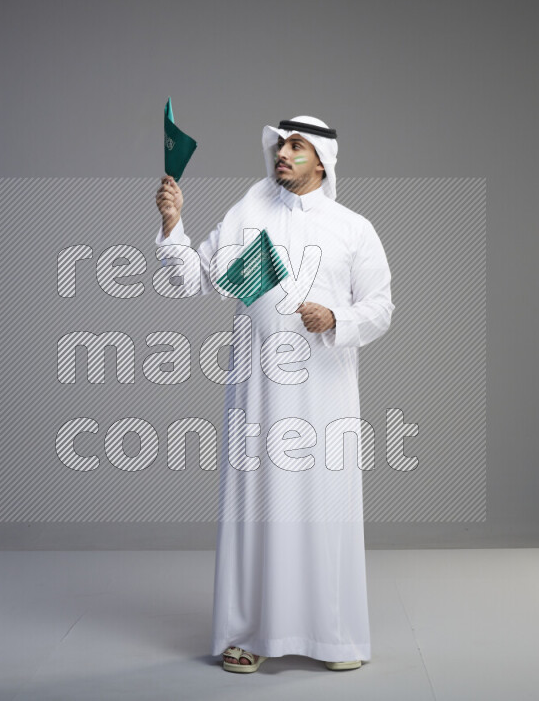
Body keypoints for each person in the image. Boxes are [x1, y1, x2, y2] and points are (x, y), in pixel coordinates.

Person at [154, 116, 395, 673]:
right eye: (280, 145)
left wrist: (336, 315)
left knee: (323, 505)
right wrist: (174, 225)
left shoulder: (353, 227)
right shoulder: (250, 211)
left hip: (325, 393)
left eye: (296, 147)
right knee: (256, 507)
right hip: (257, 391)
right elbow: (190, 280)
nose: (281, 154)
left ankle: (331, 635)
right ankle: (247, 634)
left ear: (323, 161)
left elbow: (380, 307)